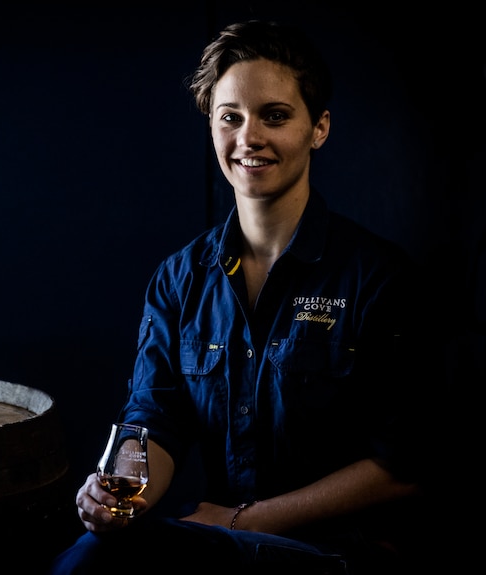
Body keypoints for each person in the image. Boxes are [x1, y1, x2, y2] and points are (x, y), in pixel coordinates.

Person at [49, 19, 445, 575]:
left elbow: (406, 466)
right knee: (89, 559)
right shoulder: (178, 279)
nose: (248, 137)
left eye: (275, 116)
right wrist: (120, 491)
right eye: (230, 118)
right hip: (220, 545)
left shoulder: (379, 279)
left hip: (341, 554)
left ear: (319, 128)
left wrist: (244, 523)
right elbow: (152, 422)